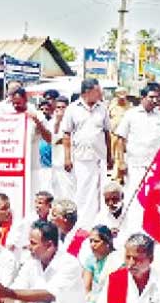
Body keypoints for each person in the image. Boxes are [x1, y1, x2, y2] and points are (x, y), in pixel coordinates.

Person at [115, 85, 160, 233]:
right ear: (142, 98)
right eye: (150, 97)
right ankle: (134, 231)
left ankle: (150, 232)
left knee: (154, 201)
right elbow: (120, 139)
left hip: (155, 167)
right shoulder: (131, 115)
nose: (154, 100)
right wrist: (120, 161)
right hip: (135, 164)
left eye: (156, 98)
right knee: (134, 200)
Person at [62, 78, 113, 228]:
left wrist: (109, 156)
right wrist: (67, 158)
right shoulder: (72, 109)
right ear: (87, 92)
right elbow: (66, 134)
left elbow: (107, 133)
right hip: (82, 158)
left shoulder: (102, 108)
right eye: (97, 91)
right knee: (84, 193)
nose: (100, 93)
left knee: (101, 191)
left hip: (100, 158)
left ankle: (100, 224)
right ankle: (83, 225)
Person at [82, 225, 121, 303]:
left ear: (107, 243)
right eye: (90, 241)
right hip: (93, 302)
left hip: (112, 302)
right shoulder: (90, 260)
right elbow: (86, 288)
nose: (92, 244)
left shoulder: (117, 260)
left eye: (96, 241)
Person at [5, 190, 53, 256]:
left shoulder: (53, 220)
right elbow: (15, 239)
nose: (37, 206)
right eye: (35, 202)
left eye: (40, 203)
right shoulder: (29, 220)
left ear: (49, 205)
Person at [50, 96, 75, 200]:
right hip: (57, 162)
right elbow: (52, 139)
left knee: (70, 190)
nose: (60, 110)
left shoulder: (73, 120)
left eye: (63, 107)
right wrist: (57, 122)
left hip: (70, 161)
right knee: (58, 191)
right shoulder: (52, 122)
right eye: (58, 107)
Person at [108, 87, 131, 182]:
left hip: (124, 135)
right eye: (119, 96)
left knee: (121, 154)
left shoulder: (129, 106)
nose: (121, 98)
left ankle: (119, 175)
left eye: (123, 96)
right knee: (114, 155)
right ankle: (117, 173)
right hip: (113, 134)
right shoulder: (112, 106)